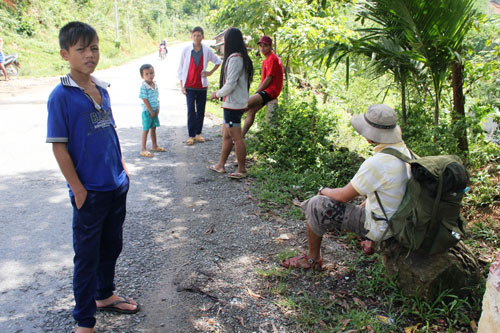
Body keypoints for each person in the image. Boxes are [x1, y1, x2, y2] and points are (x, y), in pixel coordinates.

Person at [46, 22, 139, 333]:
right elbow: (59, 147)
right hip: (90, 191)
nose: (90, 55)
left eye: (94, 48)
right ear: (65, 54)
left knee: (112, 246)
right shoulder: (61, 96)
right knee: (86, 257)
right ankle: (85, 321)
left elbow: (110, 131)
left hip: (116, 184)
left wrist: (123, 167)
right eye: (81, 49)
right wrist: (77, 188)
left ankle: (104, 294)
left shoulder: (102, 89)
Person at [281, 104, 411, 270]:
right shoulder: (404, 151)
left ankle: (312, 260)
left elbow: (343, 195)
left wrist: (323, 190)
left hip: (383, 227)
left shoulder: (377, 163)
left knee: (316, 205)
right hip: (396, 220)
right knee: (355, 205)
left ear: (370, 134)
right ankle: (367, 235)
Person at [209, 27, 254, 179]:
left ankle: (242, 169)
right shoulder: (241, 57)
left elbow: (231, 84)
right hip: (232, 104)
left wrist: (217, 94)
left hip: (233, 105)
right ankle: (220, 165)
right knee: (226, 136)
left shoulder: (235, 58)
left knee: (236, 138)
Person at [177, 26, 221, 145]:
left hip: (201, 86)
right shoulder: (186, 50)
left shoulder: (206, 50)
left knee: (201, 110)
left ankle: (198, 134)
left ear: (203, 37)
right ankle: (191, 135)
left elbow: (218, 61)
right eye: (194, 35)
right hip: (189, 85)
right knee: (191, 110)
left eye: (199, 35)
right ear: (192, 36)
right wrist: (182, 85)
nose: (196, 37)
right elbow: (180, 68)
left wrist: (210, 72)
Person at [241, 35, 284, 138]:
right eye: (260, 46)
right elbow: (263, 80)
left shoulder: (273, 59)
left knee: (245, 104)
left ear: (270, 46)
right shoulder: (266, 60)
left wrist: (257, 93)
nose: (262, 48)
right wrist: (257, 92)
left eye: (265, 45)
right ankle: (240, 136)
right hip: (267, 91)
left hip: (271, 91)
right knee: (251, 111)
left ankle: (231, 129)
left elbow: (268, 79)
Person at [139, 64, 166, 157]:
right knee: (146, 129)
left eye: (151, 73)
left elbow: (156, 97)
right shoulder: (144, 86)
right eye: (146, 74)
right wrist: (150, 111)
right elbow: (144, 99)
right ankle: (143, 149)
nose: (150, 75)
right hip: (147, 111)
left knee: (153, 128)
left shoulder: (155, 84)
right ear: (142, 76)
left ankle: (154, 145)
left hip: (154, 110)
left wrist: (158, 108)